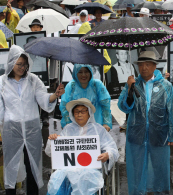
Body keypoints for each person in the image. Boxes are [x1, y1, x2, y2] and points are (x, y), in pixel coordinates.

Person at [0, 45, 65, 194]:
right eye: (19, 64)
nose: (22, 68)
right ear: (11, 63)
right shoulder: (2, 82)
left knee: (32, 167)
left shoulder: (32, 80)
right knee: (11, 166)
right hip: (11, 130)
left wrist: (55, 95)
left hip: (31, 130)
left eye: (25, 64)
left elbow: (43, 98)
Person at [118, 51, 173, 195]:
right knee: (137, 166)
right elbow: (124, 107)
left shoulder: (166, 85)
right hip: (136, 134)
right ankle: (139, 191)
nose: (144, 68)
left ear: (154, 66)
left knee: (159, 166)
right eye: (141, 65)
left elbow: (171, 110)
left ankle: (157, 191)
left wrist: (172, 135)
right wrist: (129, 90)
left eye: (147, 64)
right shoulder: (133, 83)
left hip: (159, 133)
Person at [45, 98, 119, 195]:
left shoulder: (98, 129)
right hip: (68, 170)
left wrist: (107, 155)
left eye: (83, 111)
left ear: (89, 113)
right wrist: (53, 140)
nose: (79, 114)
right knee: (58, 179)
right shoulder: (68, 129)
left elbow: (112, 148)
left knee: (85, 178)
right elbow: (52, 152)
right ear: (72, 114)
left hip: (90, 170)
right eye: (76, 112)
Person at [59, 64, 112, 132]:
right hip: (76, 128)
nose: (83, 75)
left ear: (90, 72)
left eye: (86, 71)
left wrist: (106, 123)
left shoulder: (97, 85)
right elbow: (64, 107)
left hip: (97, 126)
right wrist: (67, 124)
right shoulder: (71, 86)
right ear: (75, 73)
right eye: (80, 72)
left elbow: (106, 106)